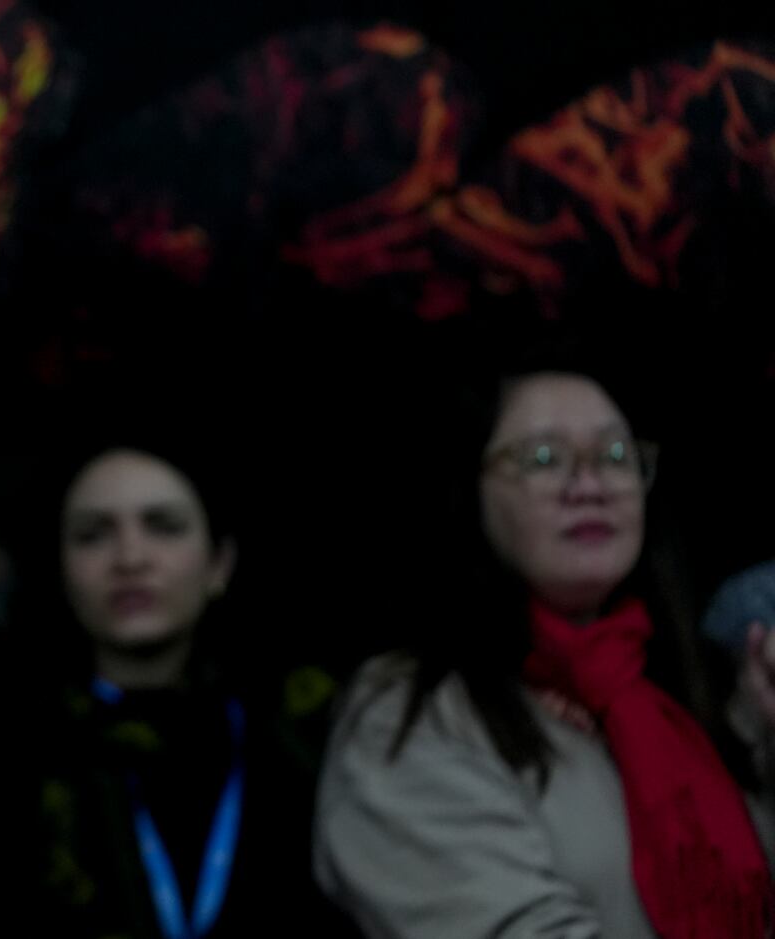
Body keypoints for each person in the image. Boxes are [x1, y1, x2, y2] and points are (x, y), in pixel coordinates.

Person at [313, 358, 775, 937]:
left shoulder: (688, 693)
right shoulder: (409, 712)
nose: (590, 485)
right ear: (470, 493)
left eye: (615, 456)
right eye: (542, 458)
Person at [0, 435, 342, 937]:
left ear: (219, 563)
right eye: (93, 534)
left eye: (164, 526)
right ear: (61, 567)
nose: (131, 557)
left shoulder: (296, 732)